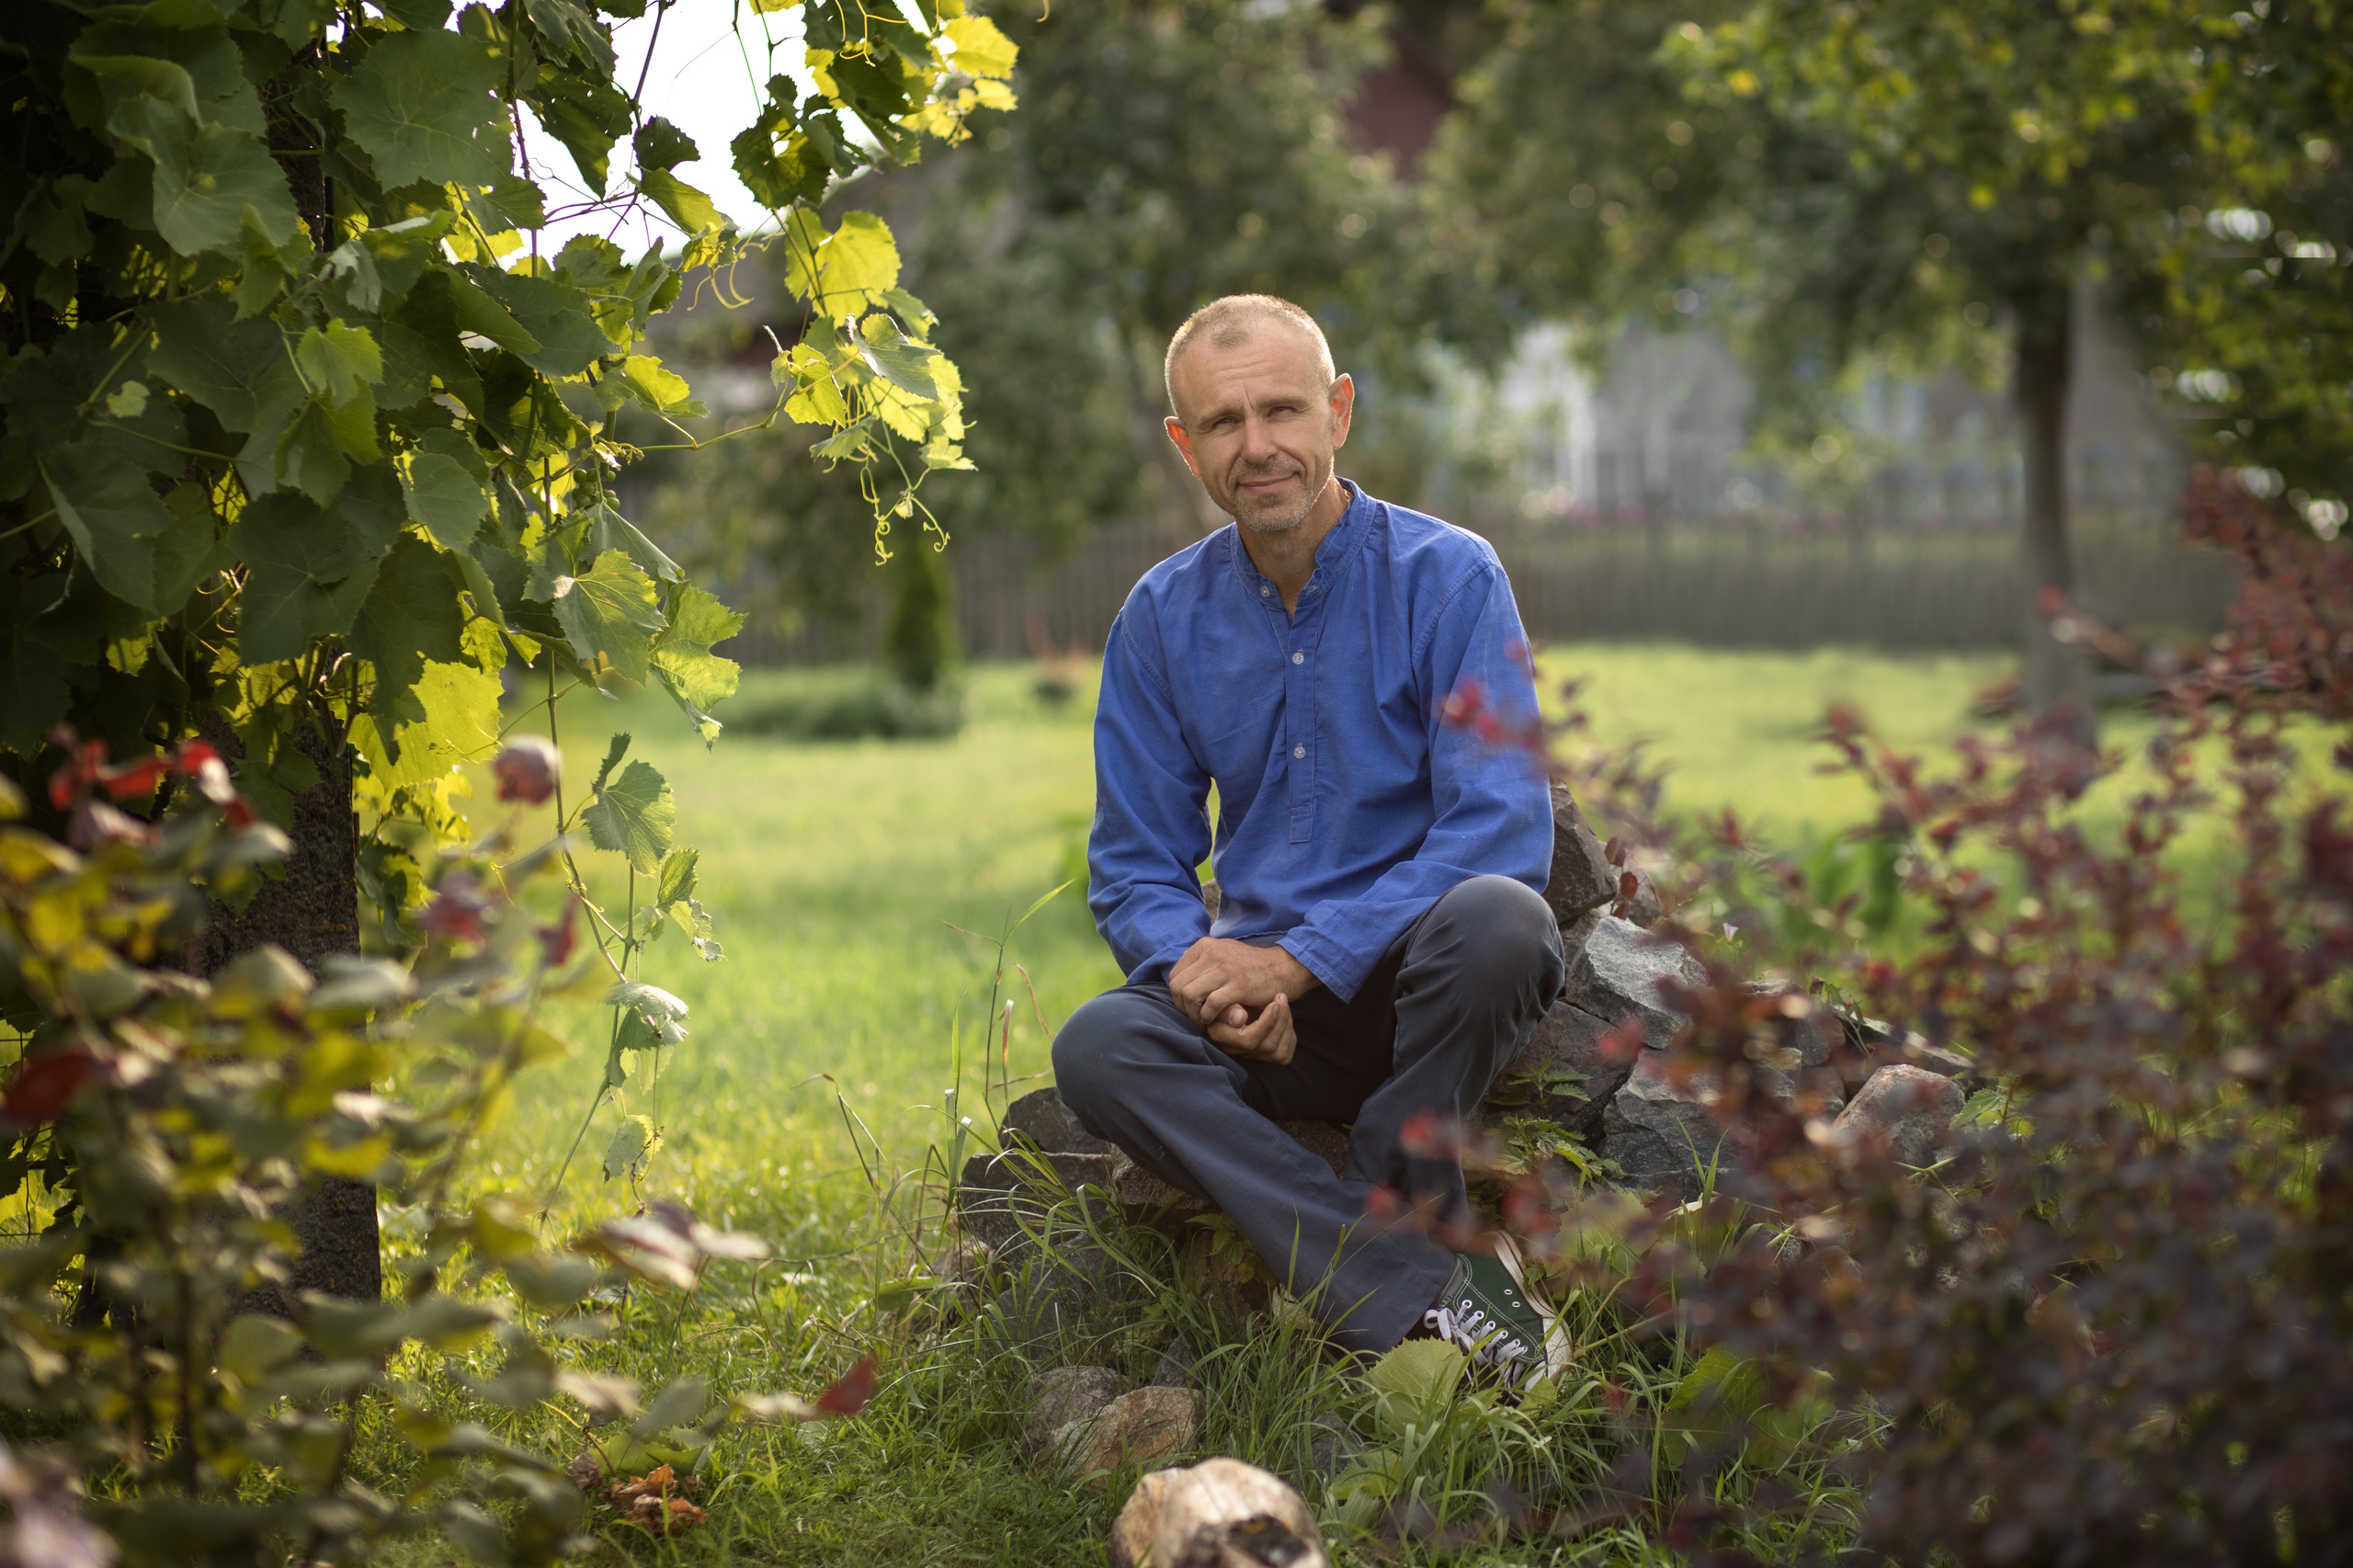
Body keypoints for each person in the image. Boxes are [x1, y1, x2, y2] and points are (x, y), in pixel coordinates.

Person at [1051, 294, 1568, 1390]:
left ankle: (1401, 1153)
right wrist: (1204, 977)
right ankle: (1415, 1276)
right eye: (1224, 424)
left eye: (1281, 409)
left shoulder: (1452, 579)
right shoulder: (1159, 617)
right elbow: (1134, 860)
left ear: (1337, 411)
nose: (1259, 446)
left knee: (1500, 921)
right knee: (1101, 1045)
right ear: (1186, 446)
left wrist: (1295, 958)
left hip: (1427, 995)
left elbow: (1497, 825)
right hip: (1267, 1029)